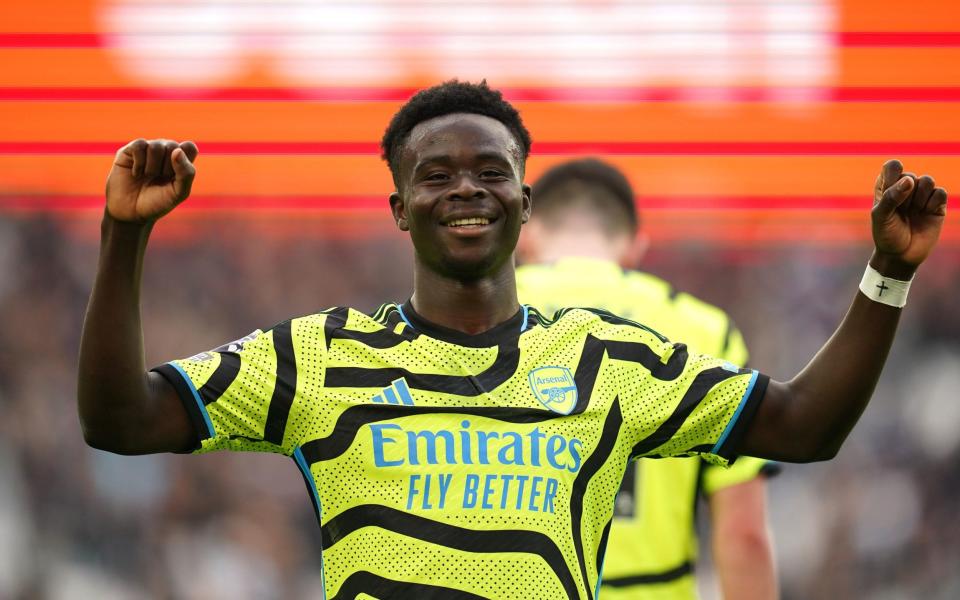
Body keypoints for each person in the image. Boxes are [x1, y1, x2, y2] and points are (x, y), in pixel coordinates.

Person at [78, 80, 948, 599]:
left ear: (525, 205)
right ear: (397, 208)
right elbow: (120, 419)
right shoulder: (319, 357)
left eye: (493, 172)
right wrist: (125, 235)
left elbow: (803, 427)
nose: (468, 189)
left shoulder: (610, 359)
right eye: (437, 174)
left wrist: (888, 277)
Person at [516, 158, 778, 599]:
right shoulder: (704, 331)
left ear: (525, 236)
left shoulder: (476, 321)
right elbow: (744, 536)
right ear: (636, 247)